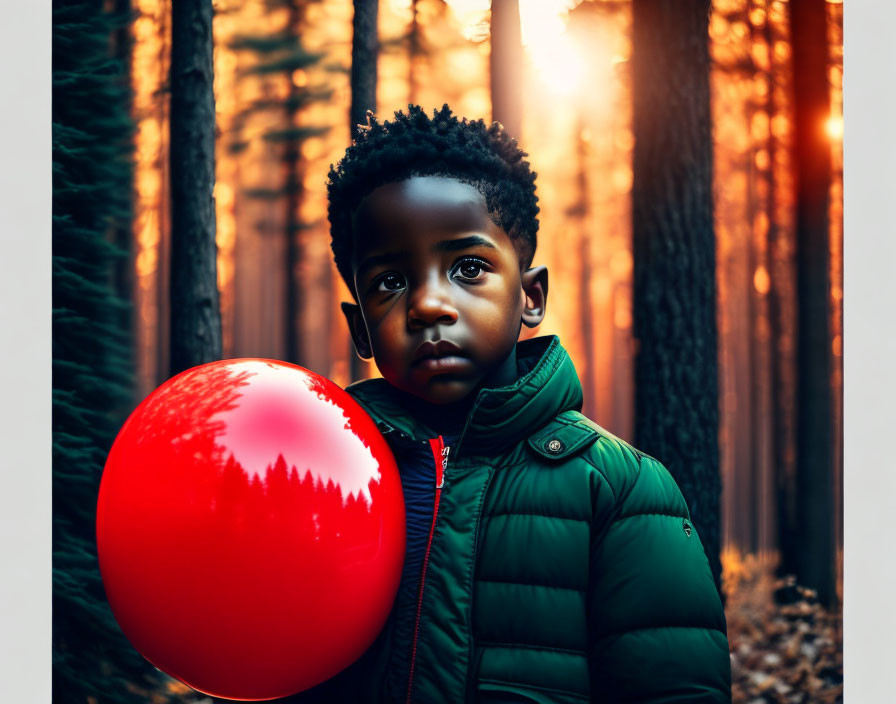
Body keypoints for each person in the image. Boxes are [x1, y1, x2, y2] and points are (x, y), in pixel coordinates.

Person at [295, 104, 731, 703]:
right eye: (390, 281)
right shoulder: (318, 477)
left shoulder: (622, 490)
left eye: (468, 268)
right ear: (361, 329)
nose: (427, 305)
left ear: (530, 296)